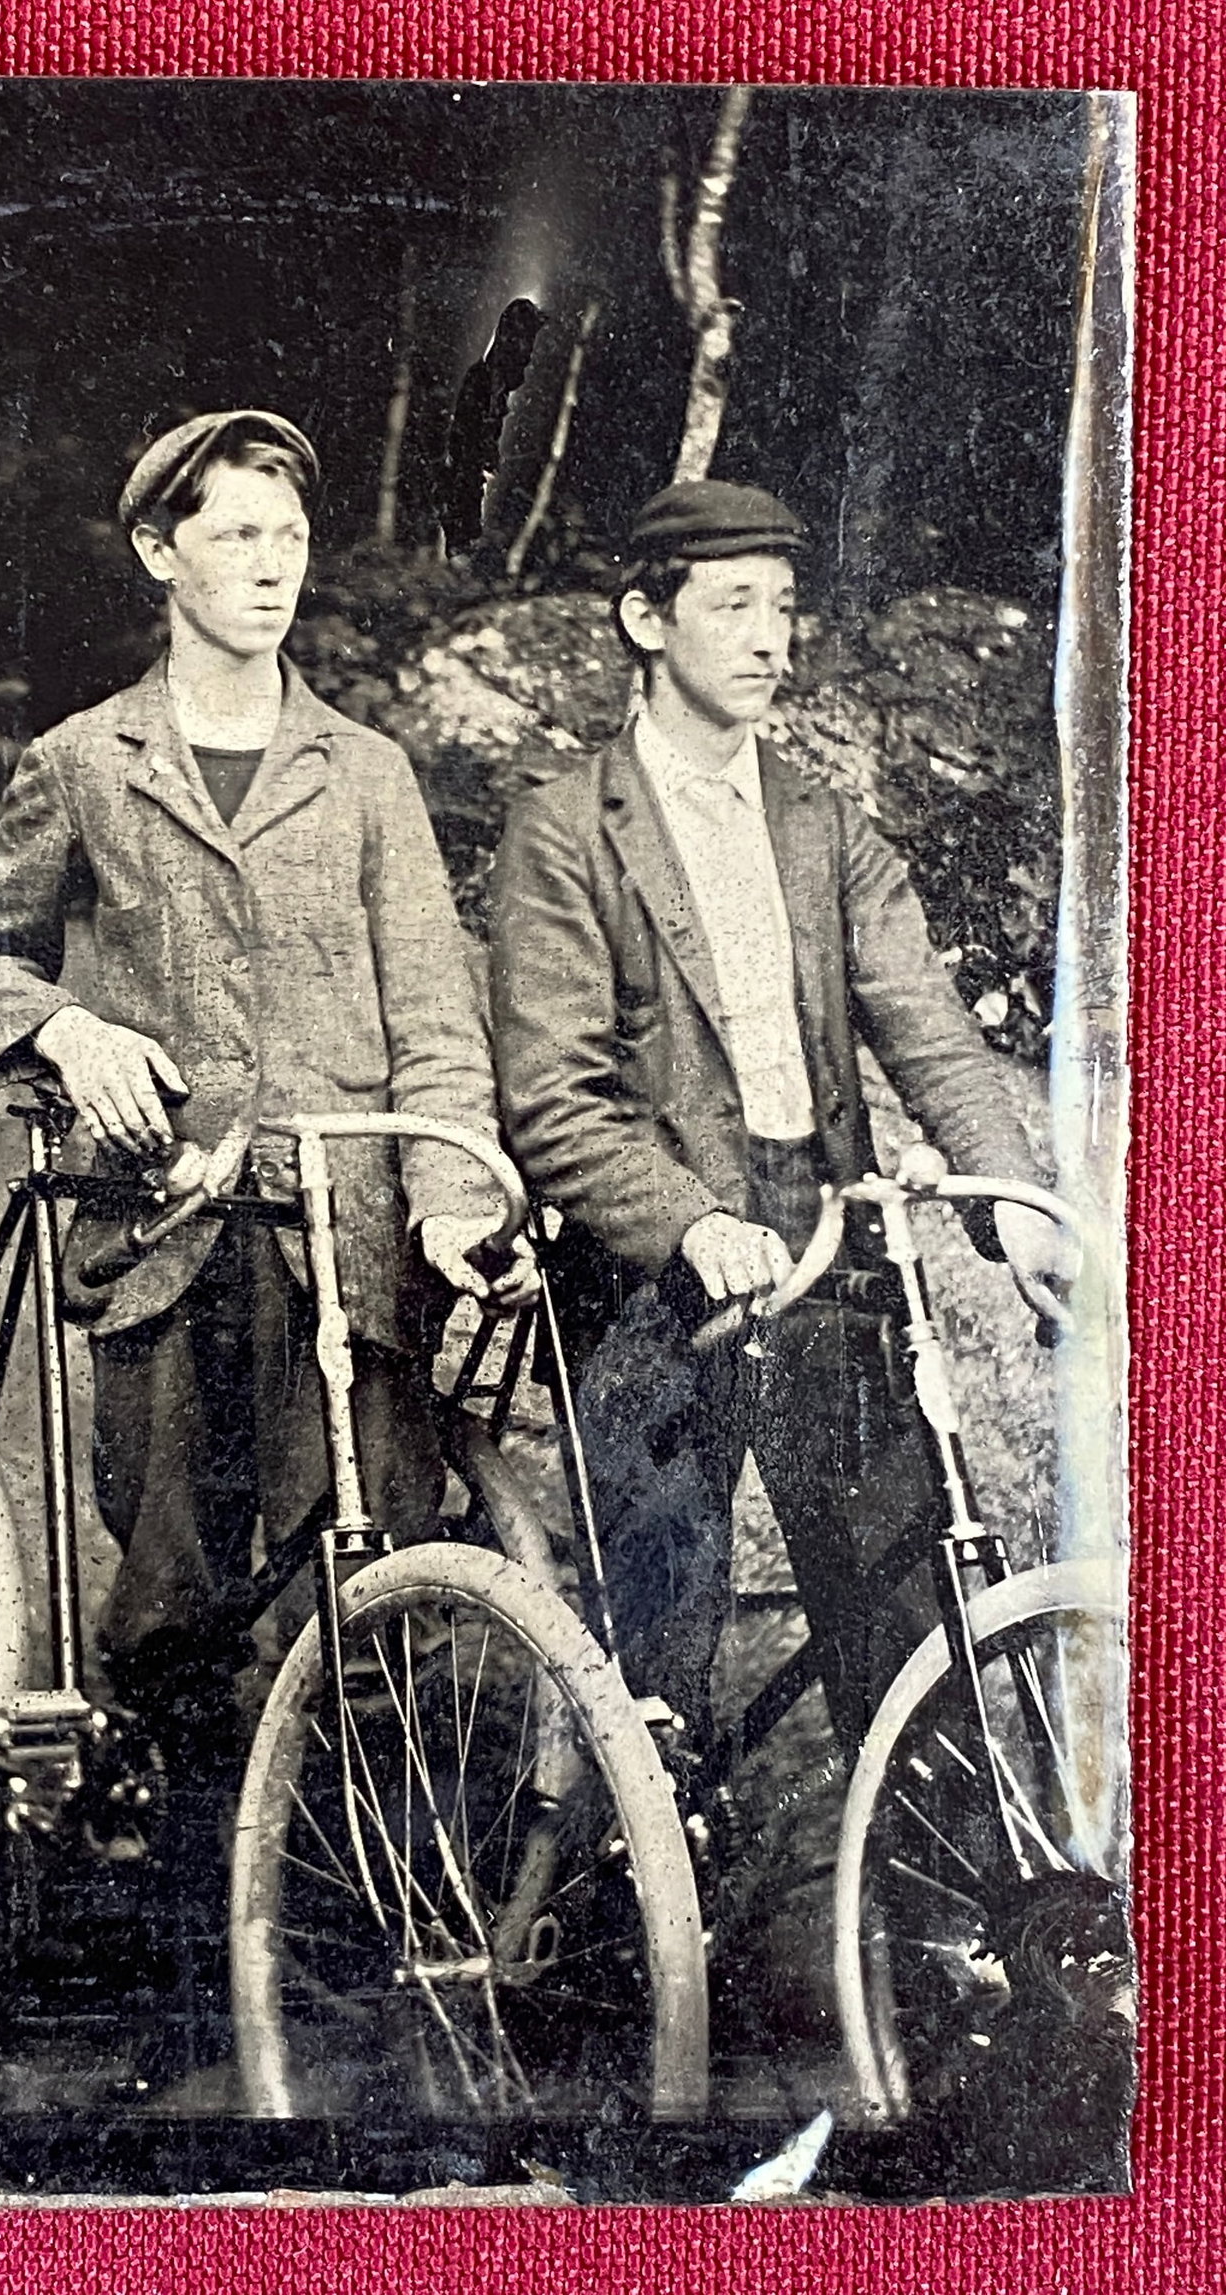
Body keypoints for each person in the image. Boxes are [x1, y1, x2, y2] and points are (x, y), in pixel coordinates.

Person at [0, 409, 533, 1759]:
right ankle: (185, 1895)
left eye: (292, 537)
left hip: (350, 1247)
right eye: (237, 534)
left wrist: (442, 1199)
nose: (272, 566)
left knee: (368, 1595)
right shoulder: (85, 763)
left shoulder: (369, 775)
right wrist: (72, 1036)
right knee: (171, 1613)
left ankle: (344, 1910)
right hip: (169, 1241)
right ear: (159, 551)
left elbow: (436, 1024)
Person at [488, 477, 1069, 1784]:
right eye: (734, 605)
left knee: (903, 1605)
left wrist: (1015, 1200)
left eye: (785, 608)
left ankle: (940, 1926)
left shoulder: (818, 821)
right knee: (659, 1620)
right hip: (649, 1271)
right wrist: (690, 1221)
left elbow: (923, 1022)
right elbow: (553, 1100)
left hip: (822, 1229)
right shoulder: (567, 829)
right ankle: (609, 1938)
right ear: (647, 618)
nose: (770, 638)